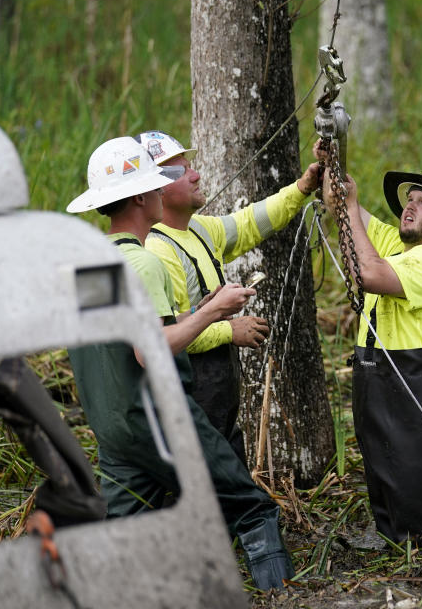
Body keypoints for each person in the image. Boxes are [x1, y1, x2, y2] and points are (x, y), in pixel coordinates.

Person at [66, 136, 294, 589]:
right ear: (139, 197)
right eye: (154, 184)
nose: (159, 192)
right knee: (251, 506)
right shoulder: (144, 263)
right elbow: (148, 351)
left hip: (113, 429)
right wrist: (212, 314)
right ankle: (282, 597)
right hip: (162, 421)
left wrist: (202, 309)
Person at [321, 151, 422, 551]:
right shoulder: (398, 245)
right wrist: (332, 155)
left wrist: (345, 203)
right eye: (410, 198)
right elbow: (346, 211)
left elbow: (370, 273)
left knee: (419, 473)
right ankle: (394, 540)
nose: (410, 206)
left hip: (419, 387)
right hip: (378, 378)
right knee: (384, 467)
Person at [138, 130, 322, 463]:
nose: (196, 174)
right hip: (189, 398)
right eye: (181, 171)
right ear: (155, 189)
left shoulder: (201, 229)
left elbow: (252, 222)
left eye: (190, 166)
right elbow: (171, 338)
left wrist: (303, 188)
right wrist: (231, 331)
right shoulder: (157, 249)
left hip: (217, 396)